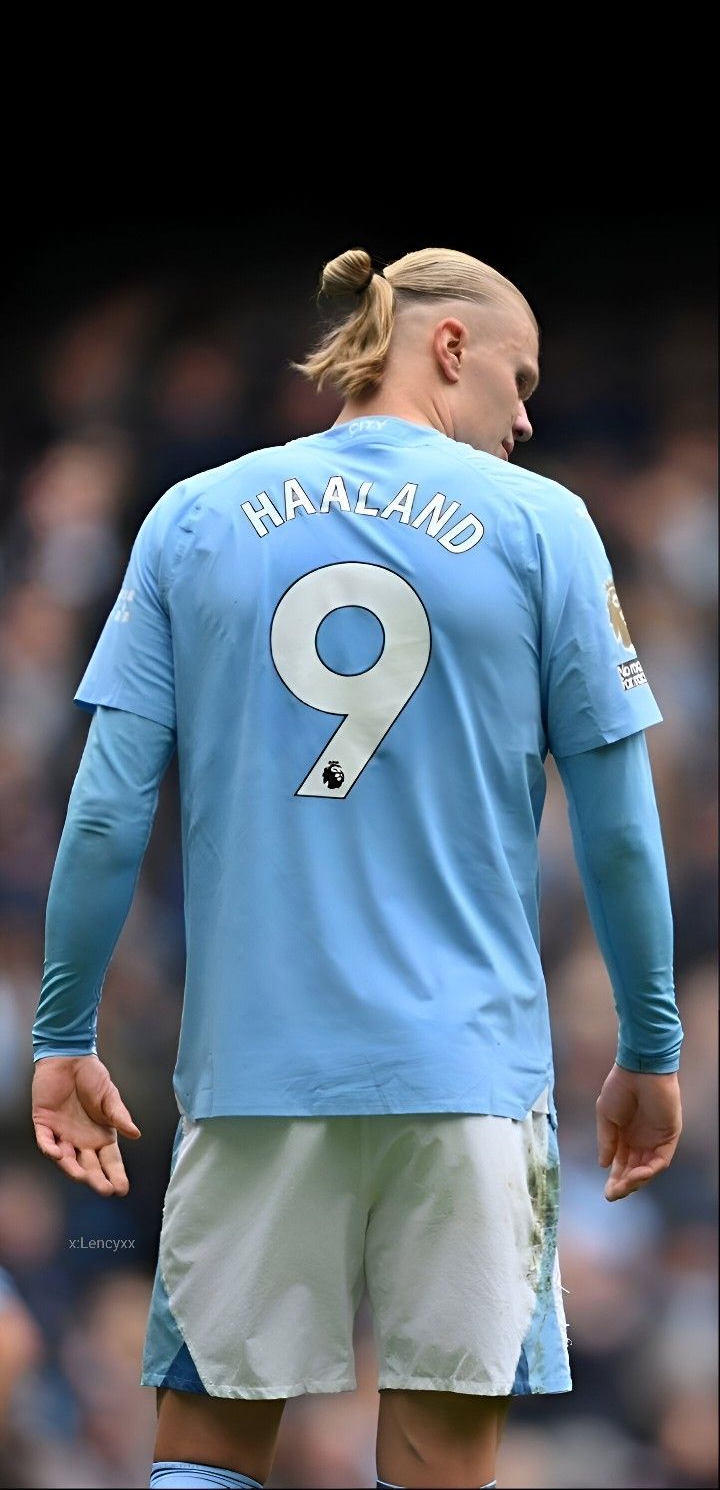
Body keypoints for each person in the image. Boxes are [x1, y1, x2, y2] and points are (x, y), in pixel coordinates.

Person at [31, 247, 684, 1490]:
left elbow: (109, 809)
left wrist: (61, 1034)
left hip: (256, 1079)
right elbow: (617, 825)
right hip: (471, 1084)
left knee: (207, 1460)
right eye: (520, 374)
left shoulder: (195, 516)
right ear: (449, 349)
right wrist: (650, 1052)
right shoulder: (546, 526)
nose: (530, 414)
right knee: (439, 1468)